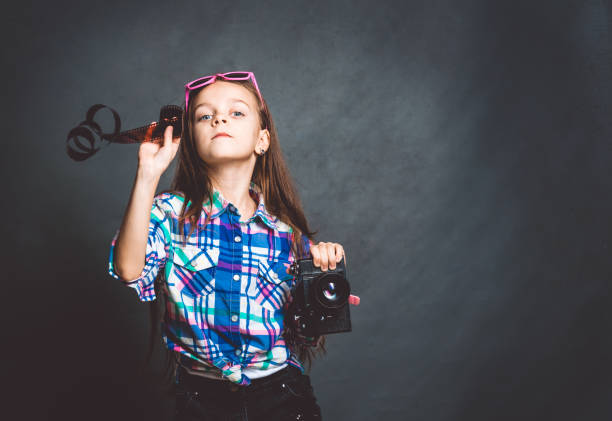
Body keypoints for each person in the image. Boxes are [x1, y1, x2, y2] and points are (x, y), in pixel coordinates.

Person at [107, 71, 346, 420]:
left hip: (281, 395)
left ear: (262, 140)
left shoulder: (286, 236)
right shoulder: (168, 213)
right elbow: (130, 269)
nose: (219, 118)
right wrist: (148, 174)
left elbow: (305, 332)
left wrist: (325, 277)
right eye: (205, 115)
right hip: (201, 401)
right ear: (191, 141)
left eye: (237, 112)